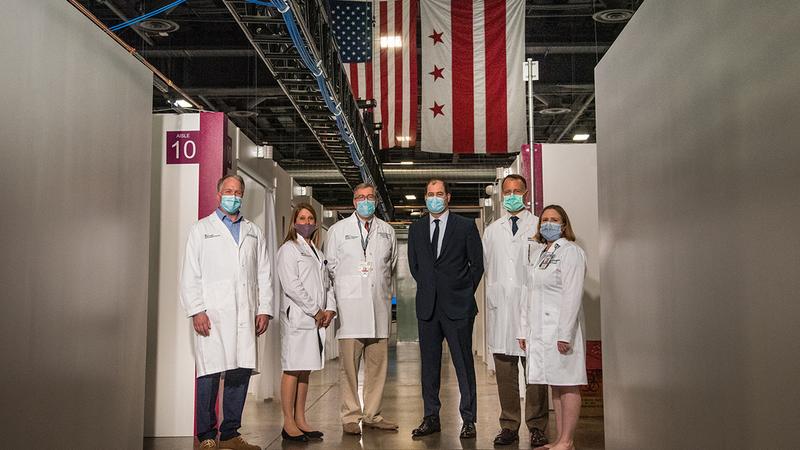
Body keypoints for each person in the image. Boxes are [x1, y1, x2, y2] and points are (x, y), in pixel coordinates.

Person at [180, 174, 273, 450]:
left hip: (246, 313)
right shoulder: (200, 229)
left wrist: (264, 308)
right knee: (209, 374)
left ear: (242, 196)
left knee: (240, 371)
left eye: (238, 191)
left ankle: (231, 433)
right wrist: (197, 309)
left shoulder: (254, 231)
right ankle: (206, 435)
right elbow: (190, 273)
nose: (233, 195)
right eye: (228, 191)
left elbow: (264, 272)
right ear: (218, 195)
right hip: (213, 314)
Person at [407, 178, 484, 440]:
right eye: (430, 194)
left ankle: (469, 419)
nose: (434, 198)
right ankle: (431, 417)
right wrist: (432, 289)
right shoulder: (416, 229)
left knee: (463, 364)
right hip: (428, 308)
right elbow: (415, 267)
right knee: (429, 366)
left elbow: (477, 265)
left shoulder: (465, 226)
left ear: (448, 197)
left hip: (458, 307)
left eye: (439, 193)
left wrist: (461, 292)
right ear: (425, 197)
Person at [324, 183, 399, 435]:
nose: (365, 201)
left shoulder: (387, 231)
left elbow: (391, 266)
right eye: (360, 197)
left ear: (376, 201)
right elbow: (330, 269)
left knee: (378, 368)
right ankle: (350, 415)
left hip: (379, 308)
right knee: (349, 369)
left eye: (370, 197)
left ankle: (372, 414)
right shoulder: (337, 230)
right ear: (353, 201)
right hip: (349, 309)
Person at [482, 174, 549, 447]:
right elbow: (487, 267)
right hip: (501, 309)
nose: (511, 195)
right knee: (505, 372)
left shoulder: (538, 226)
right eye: (507, 191)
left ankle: (537, 426)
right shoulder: (492, 230)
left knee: (534, 372)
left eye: (516, 191)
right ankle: (509, 425)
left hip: (531, 308)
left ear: (526, 193)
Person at [518, 205, 587, 450]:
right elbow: (529, 293)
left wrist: (565, 333)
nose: (548, 223)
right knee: (556, 385)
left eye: (554, 220)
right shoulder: (540, 254)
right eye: (544, 219)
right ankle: (559, 439)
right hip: (542, 332)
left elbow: (572, 295)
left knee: (568, 383)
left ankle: (567, 440)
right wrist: (523, 330)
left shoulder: (571, 252)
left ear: (564, 225)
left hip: (560, 331)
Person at [276, 203, 337, 443]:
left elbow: (327, 283)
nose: (307, 222)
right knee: (292, 368)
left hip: (316, 319)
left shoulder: (317, 252)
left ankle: (301, 418)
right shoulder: (288, 250)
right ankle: (288, 422)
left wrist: (329, 309)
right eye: (302, 218)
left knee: (305, 368)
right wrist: (315, 311)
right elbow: (292, 286)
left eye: (311, 218)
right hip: (299, 318)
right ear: (294, 222)